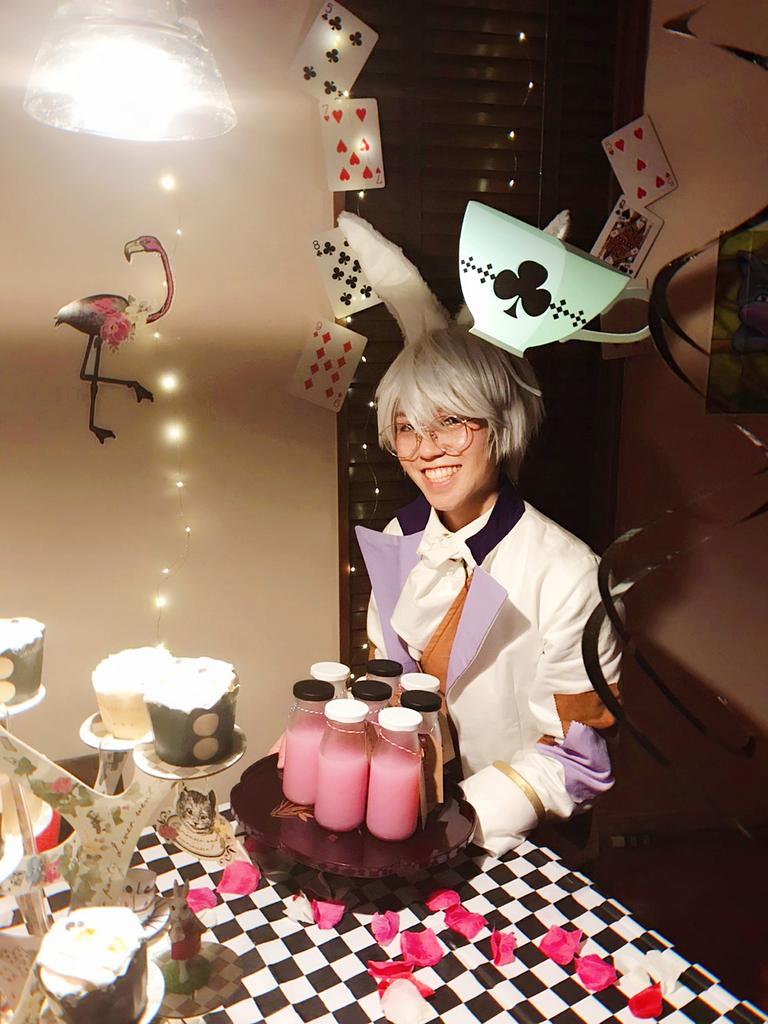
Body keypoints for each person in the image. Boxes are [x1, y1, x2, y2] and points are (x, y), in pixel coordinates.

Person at [356, 324, 621, 857]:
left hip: (517, 835)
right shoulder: (399, 535)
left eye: (450, 422)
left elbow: (580, 760)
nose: (427, 450)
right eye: (407, 428)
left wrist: (459, 820)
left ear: (501, 423)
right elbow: (389, 676)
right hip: (406, 809)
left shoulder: (573, 574)